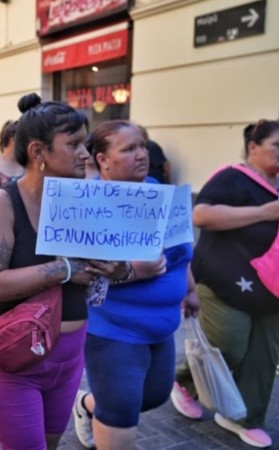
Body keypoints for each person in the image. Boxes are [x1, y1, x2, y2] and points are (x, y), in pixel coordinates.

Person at [0, 94, 126, 450]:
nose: (85, 154)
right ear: (38, 151)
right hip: (12, 364)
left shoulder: (85, 200)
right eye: (73, 144)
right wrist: (64, 268)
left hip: (68, 360)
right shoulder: (2, 203)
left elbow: (107, 268)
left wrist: (120, 269)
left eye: (85, 144)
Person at [69, 120, 200, 450]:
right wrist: (133, 271)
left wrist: (190, 289)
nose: (142, 154)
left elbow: (180, 251)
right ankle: (103, 415)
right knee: (120, 410)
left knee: (153, 395)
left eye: (142, 145)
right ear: (103, 160)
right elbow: (79, 271)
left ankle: (86, 405)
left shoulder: (158, 189)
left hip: (162, 328)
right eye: (129, 149)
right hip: (115, 331)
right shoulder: (88, 203)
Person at [170, 119, 279, 448]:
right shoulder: (233, 178)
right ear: (253, 146)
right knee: (229, 344)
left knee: (263, 357)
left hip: (276, 287)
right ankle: (185, 382)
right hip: (224, 281)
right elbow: (201, 215)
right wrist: (264, 213)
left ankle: (244, 417)